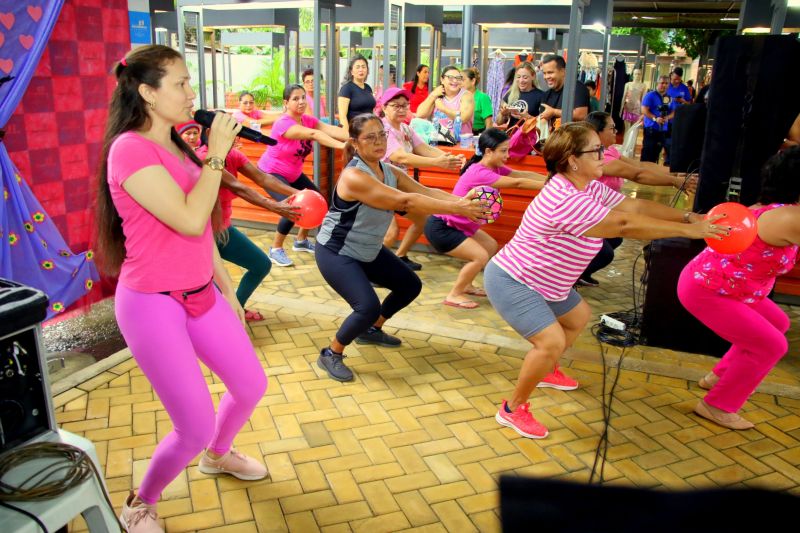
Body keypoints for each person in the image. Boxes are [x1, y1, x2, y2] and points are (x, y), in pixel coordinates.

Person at [95, 45, 269, 533]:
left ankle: (218, 455)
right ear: (147, 92)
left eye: (190, 82)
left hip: (201, 293)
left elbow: (204, 232)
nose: (192, 93)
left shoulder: (176, 142)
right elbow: (192, 219)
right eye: (180, 84)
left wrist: (228, 289)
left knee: (251, 385)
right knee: (191, 425)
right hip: (152, 304)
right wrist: (216, 154)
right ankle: (140, 502)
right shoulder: (129, 148)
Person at [484, 122, 726, 439]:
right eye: (596, 150)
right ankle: (512, 409)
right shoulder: (564, 199)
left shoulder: (585, 185)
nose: (605, 155)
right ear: (572, 160)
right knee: (550, 341)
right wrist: (690, 231)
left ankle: (547, 370)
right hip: (514, 280)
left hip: (547, 282)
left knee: (578, 317)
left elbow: (633, 205)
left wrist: (688, 217)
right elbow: (624, 224)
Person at [313, 114, 486, 382]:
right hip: (337, 251)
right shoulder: (354, 176)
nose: (379, 141)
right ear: (355, 143)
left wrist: (462, 201)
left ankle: (372, 330)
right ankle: (331, 352)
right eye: (370, 137)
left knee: (409, 285)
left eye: (381, 134)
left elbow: (425, 192)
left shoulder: (390, 171)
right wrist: (458, 208)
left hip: (367, 250)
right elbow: (406, 200)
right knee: (366, 306)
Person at [679, 147, 800, 430]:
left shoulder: (777, 208)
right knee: (772, 345)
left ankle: (720, 376)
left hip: (730, 286)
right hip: (708, 289)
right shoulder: (791, 217)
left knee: (777, 322)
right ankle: (717, 405)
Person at [177, 120, 300, 321]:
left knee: (260, 265)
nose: (235, 139)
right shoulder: (202, 157)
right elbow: (238, 187)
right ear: (211, 132)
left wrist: (301, 193)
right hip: (203, 234)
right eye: (230, 133)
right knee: (212, 287)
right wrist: (274, 206)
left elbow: (263, 178)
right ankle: (221, 324)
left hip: (223, 228)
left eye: (236, 134)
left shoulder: (233, 154)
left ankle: (236, 311)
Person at [425, 128, 546, 309]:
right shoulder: (480, 172)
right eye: (503, 151)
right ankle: (454, 294)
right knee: (479, 256)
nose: (508, 155)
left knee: (489, 245)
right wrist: (551, 185)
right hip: (442, 228)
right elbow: (517, 183)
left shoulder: (494, 167)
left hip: (456, 226)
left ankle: (467, 285)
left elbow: (520, 175)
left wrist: (551, 179)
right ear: (489, 151)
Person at [577, 111, 699, 286]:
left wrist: (679, 173)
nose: (615, 130)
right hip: (592, 215)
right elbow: (637, 174)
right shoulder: (595, 158)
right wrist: (675, 181)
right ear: (597, 133)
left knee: (614, 238)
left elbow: (640, 166)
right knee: (604, 252)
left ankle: (577, 275)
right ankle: (572, 277)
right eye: (611, 128)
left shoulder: (608, 151)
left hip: (607, 208)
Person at [257, 84, 349, 267]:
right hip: (271, 173)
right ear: (286, 103)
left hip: (293, 174)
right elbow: (315, 134)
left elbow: (331, 130)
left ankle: (301, 240)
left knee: (318, 201)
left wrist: (356, 135)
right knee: (292, 207)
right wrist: (343, 147)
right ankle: (275, 249)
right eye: (295, 98)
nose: (301, 102)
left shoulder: (307, 119)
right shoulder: (283, 123)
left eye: (302, 97)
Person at [379, 87, 466, 271]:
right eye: (396, 106)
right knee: (390, 234)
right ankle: (370, 271)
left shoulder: (405, 128)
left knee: (424, 220)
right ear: (384, 107)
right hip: (381, 187)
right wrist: (437, 162)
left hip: (399, 186)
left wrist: (449, 157)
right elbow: (400, 157)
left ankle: (400, 256)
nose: (402, 109)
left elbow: (424, 148)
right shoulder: (384, 129)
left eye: (405, 105)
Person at [416, 65, 475, 140]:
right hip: (438, 142)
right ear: (442, 79)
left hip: (461, 144)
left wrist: (443, 108)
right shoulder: (437, 95)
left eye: (458, 78)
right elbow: (420, 114)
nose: (455, 81)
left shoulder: (466, 95)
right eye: (450, 77)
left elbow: (463, 118)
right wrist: (433, 95)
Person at [539, 54, 590, 125]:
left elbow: (581, 115)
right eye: (544, 73)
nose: (546, 77)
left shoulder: (576, 88)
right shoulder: (547, 94)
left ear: (563, 72)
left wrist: (554, 112)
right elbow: (543, 119)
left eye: (550, 72)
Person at [496, 62, 543, 130]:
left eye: (525, 77)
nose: (521, 81)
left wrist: (528, 117)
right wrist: (503, 114)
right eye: (518, 77)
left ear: (533, 76)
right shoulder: (510, 94)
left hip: (530, 138)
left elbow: (543, 124)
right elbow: (499, 123)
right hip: (512, 137)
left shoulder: (540, 96)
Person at [640, 75, 674, 164]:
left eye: (666, 83)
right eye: (662, 83)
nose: (664, 85)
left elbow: (674, 112)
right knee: (648, 154)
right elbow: (644, 110)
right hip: (651, 129)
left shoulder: (669, 97)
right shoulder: (650, 95)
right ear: (657, 83)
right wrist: (655, 118)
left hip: (663, 130)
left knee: (656, 154)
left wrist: (668, 117)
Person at [338, 55, 375, 133]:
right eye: (357, 67)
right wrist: (347, 135)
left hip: (369, 130)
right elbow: (342, 116)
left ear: (367, 70)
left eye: (363, 67)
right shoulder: (346, 88)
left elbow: (371, 111)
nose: (361, 70)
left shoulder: (368, 88)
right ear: (351, 71)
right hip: (355, 131)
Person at [463, 67, 493, 136]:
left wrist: (485, 139)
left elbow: (489, 123)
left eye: (463, 80)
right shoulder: (459, 96)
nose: (460, 82)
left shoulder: (482, 97)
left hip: (477, 135)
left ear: (473, 81)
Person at [620, 68, 647, 132]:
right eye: (636, 74)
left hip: (637, 109)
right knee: (627, 129)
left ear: (641, 75)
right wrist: (621, 109)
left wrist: (642, 112)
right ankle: (625, 142)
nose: (637, 75)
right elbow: (624, 97)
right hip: (627, 108)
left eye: (639, 74)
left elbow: (643, 99)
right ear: (633, 75)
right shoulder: (628, 84)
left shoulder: (643, 86)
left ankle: (632, 142)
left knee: (634, 130)